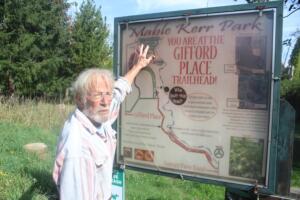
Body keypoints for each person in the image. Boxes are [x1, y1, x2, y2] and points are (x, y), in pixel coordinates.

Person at [52, 44, 155, 200]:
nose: (106, 102)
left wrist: (138, 66)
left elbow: (119, 91)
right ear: (80, 100)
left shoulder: (95, 116)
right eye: (98, 95)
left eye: (107, 93)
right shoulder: (79, 149)